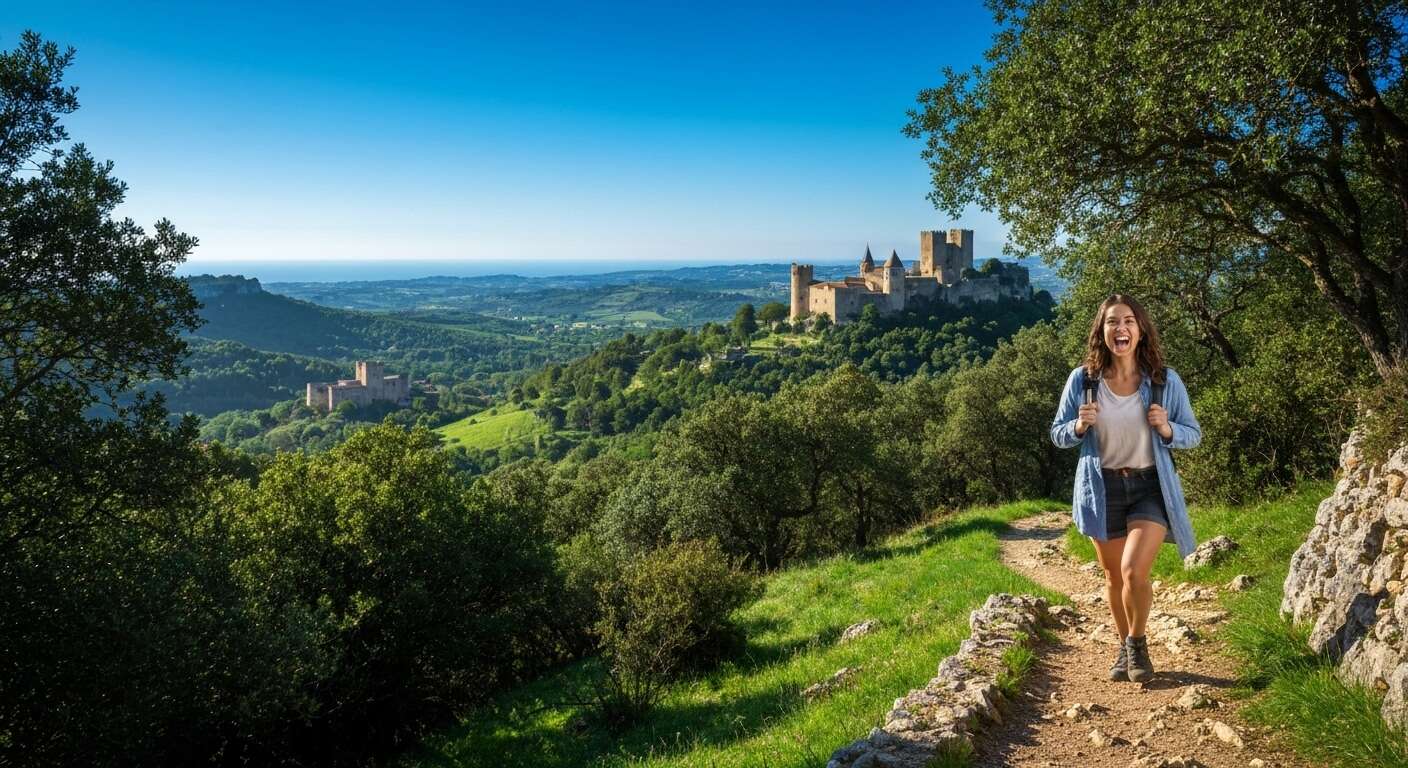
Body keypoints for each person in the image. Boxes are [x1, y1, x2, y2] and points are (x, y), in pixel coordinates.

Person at [1049, 294, 1201, 683]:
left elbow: (1193, 434)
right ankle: (1125, 648)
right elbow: (1058, 434)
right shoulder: (1083, 381)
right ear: (1101, 332)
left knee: (1134, 571)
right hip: (1102, 488)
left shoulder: (1164, 381)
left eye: (1129, 321)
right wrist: (1078, 426)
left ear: (1141, 330)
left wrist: (1167, 428)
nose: (1121, 328)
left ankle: (1137, 643)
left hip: (1150, 486)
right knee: (1114, 577)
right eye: (1113, 322)